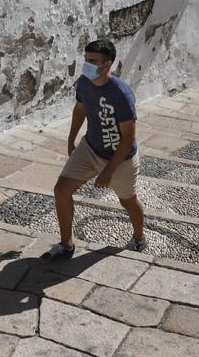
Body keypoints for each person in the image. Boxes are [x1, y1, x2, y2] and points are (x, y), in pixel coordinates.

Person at [41, 40, 147, 263]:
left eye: (93, 61)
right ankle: (66, 244)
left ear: (107, 64)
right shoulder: (84, 83)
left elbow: (128, 138)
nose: (87, 65)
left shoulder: (121, 93)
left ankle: (139, 237)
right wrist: (71, 140)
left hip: (121, 158)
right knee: (61, 189)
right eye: (86, 60)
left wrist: (108, 171)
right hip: (90, 148)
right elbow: (80, 110)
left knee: (127, 201)